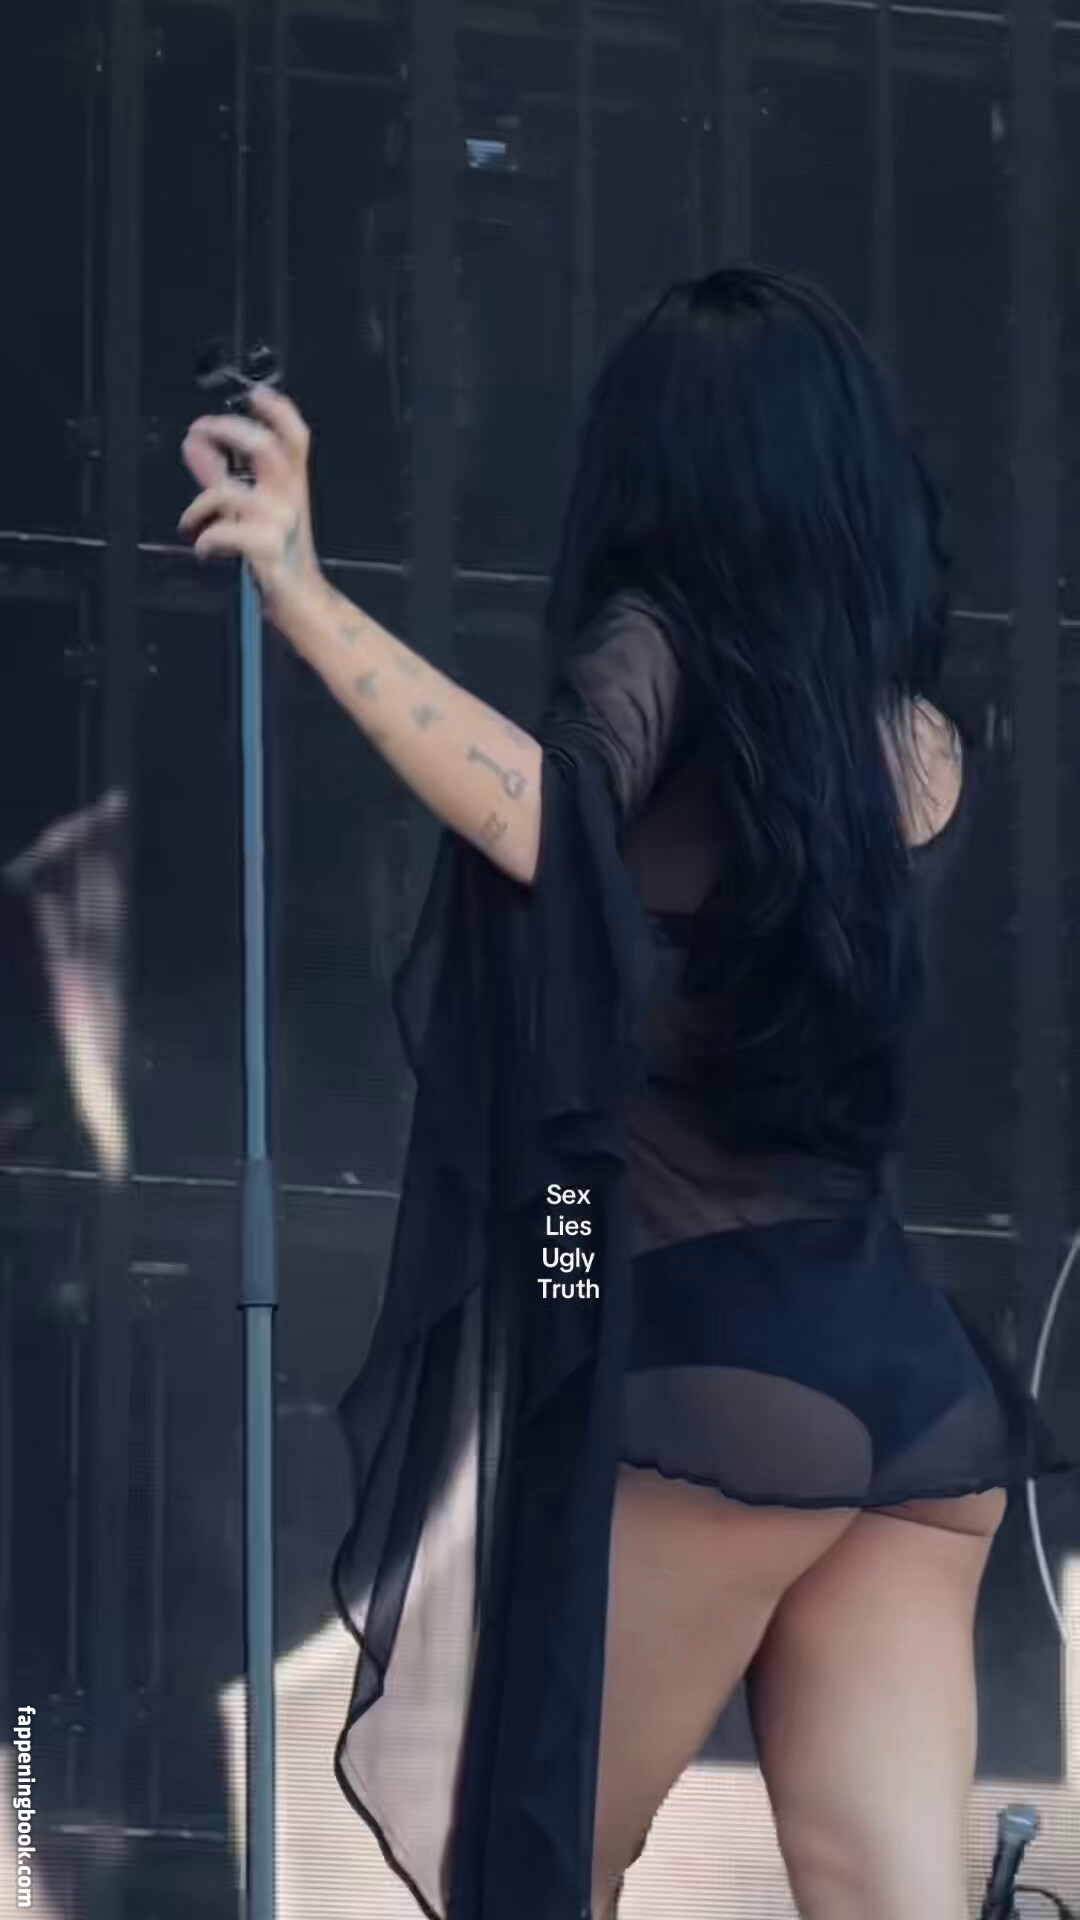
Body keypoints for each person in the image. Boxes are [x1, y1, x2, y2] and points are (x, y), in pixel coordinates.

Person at [181, 268, 1070, 1920]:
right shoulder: (916, 743)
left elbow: (549, 820)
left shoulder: (655, 651)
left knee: (531, 1877)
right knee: (891, 1898)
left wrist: (302, 593)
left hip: (725, 1382)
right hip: (911, 1395)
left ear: (659, 470)